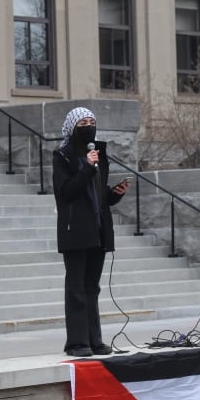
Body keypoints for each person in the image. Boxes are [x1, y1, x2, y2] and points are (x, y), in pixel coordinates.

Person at [53, 107, 130, 357]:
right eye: (83, 122)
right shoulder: (63, 156)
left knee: (92, 288)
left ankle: (94, 340)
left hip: (98, 231)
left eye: (92, 121)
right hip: (75, 230)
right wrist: (87, 168)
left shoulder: (98, 153)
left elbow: (98, 194)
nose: (89, 126)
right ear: (73, 127)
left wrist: (113, 195)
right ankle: (76, 342)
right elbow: (66, 193)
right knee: (76, 287)